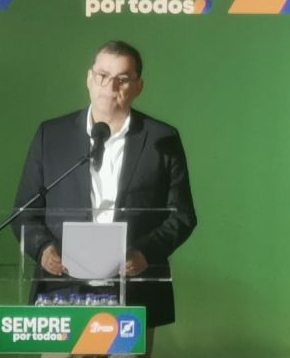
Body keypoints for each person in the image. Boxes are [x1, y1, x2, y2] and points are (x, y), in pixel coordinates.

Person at [12, 40, 197, 357]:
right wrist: (42, 250)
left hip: (131, 292)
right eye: (103, 76)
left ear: (138, 86)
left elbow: (182, 215)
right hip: (62, 289)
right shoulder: (51, 135)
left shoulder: (162, 139)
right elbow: (24, 211)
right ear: (89, 78)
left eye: (122, 79)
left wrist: (145, 253)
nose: (110, 87)